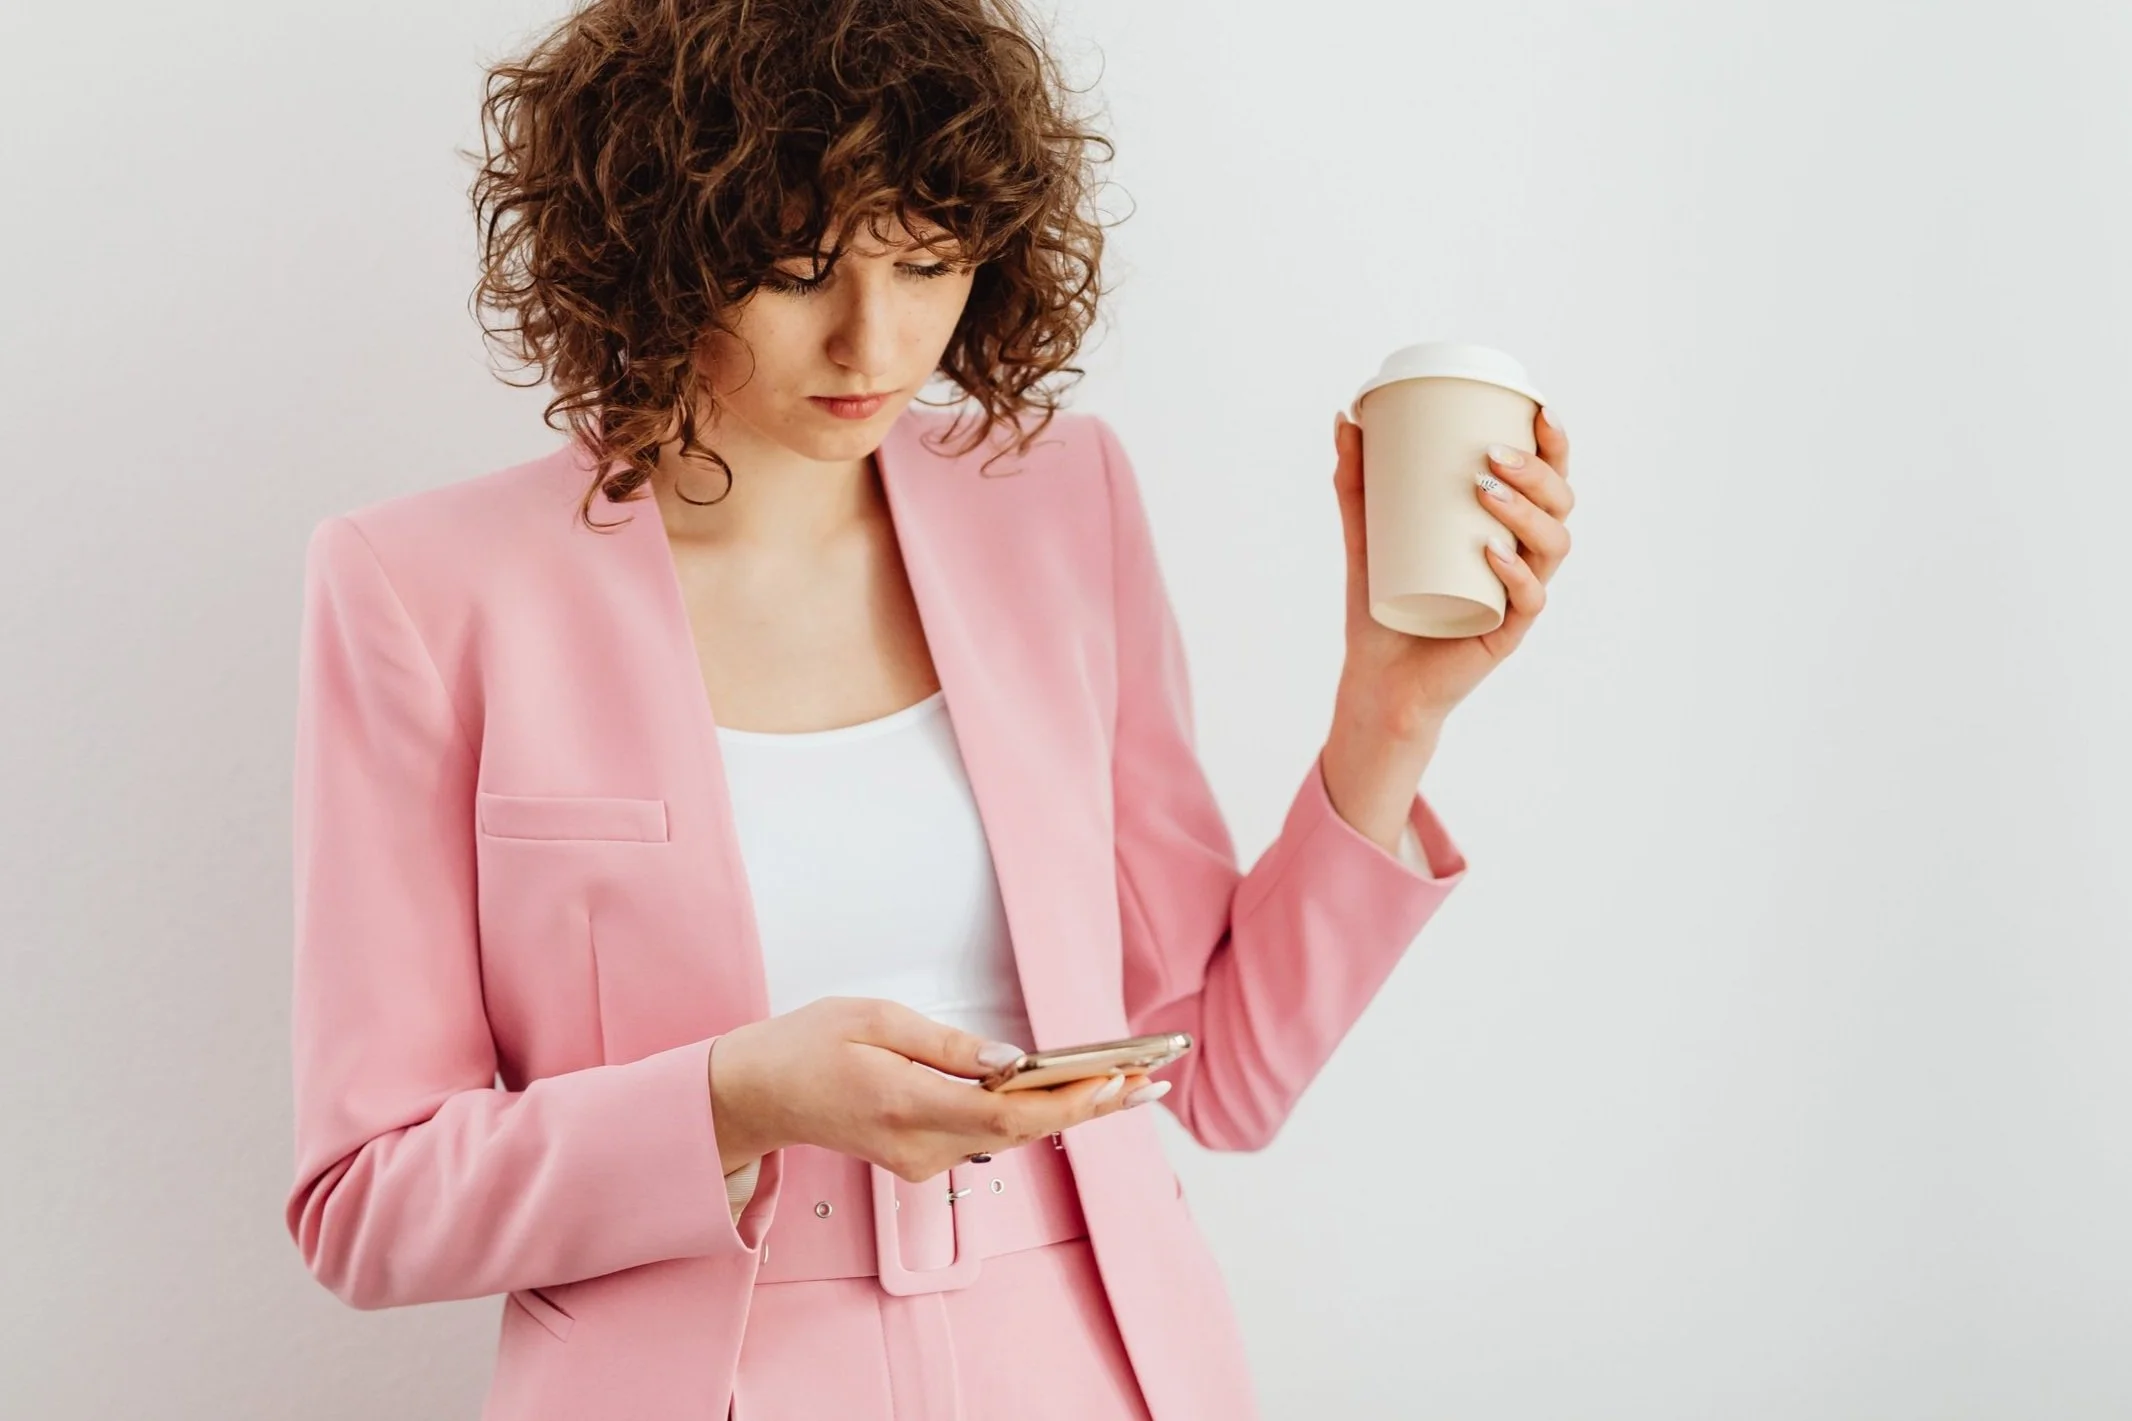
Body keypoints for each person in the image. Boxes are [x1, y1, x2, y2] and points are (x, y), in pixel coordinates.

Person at [283, 1, 1575, 1417]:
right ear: (656, 251)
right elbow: (367, 1203)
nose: (874, 343)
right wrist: (735, 1097)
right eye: (796, 271)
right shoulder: (425, 587)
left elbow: (1223, 1075)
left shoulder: (1061, 502)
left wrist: (1390, 716)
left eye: (926, 261)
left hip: (1092, 1366)